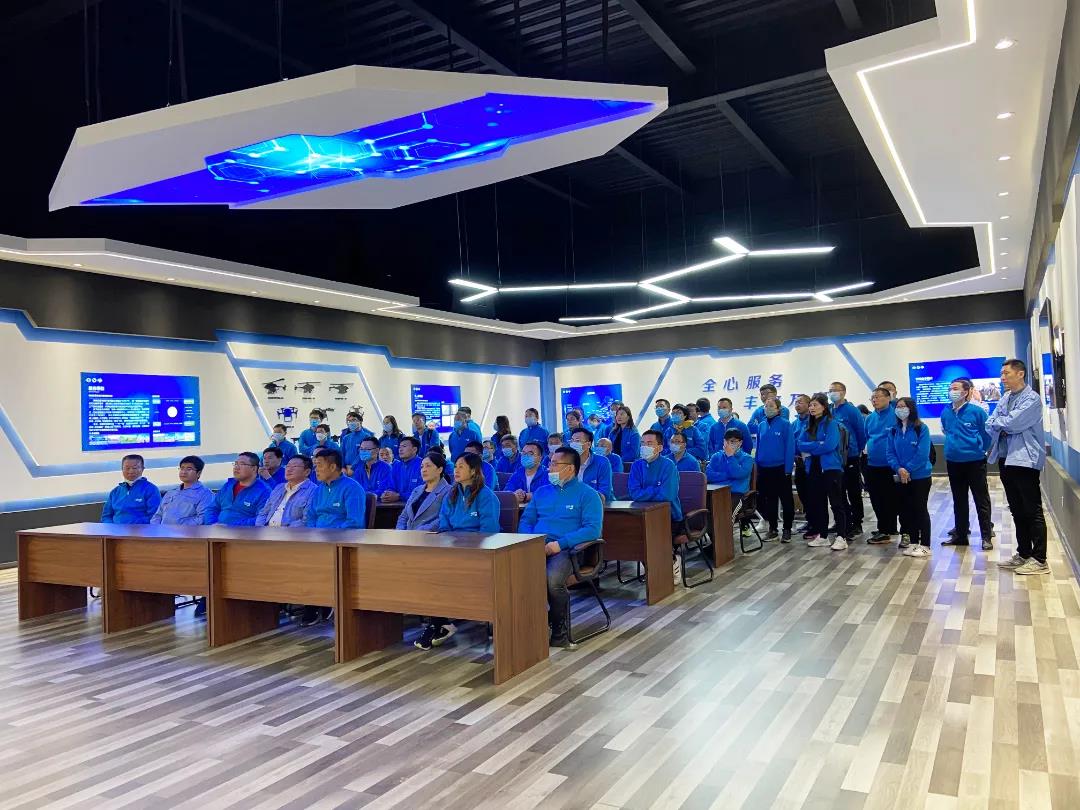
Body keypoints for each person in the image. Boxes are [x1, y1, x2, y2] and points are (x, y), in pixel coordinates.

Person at [519, 446, 604, 648]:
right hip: (536, 546)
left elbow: (592, 529)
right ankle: (526, 625)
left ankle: (559, 629)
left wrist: (558, 545)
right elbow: (526, 520)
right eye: (550, 463)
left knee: (553, 579)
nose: (549, 468)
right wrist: (532, 541)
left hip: (570, 550)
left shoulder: (588, 494)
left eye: (555, 464)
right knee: (513, 575)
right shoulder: (542, 492)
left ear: (570, 469)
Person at [417, 453, 501, 650]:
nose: (456, 470)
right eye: (455, 466)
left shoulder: (486, 496)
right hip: (452, 548)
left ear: (473, 471)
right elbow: (444, 523)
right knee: (428, 570)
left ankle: (438, 624)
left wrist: (463, 545)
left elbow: (488, 531)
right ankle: (439, 622)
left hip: (477, 552)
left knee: (444, 573)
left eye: (461, 466)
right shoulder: (452, 494)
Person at [988, 359, 1049, 575]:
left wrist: (1004, 424)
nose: (1002, 378)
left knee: (1032, 510)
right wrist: (1003, 425)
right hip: (1006, 458)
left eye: (1006, 373)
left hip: (1024, 460)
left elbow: (1012, 423)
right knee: (1016, 509)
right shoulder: (1005, 398)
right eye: (1002, 374)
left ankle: (1039, 559)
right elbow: (990, 423)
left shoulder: (1032, 399)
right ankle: (1023, 553)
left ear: (1020, 374)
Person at [941, 378, 994, 550]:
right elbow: (947, 431)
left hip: (975, 462)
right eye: (950, 388)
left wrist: (980, 449)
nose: (952, 391)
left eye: (955, 388)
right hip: (953, 462)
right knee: (959, 500)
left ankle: (986, 536)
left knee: (981, 499)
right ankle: (961, 535)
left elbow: (987, 434)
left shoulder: (977, 412)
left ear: (965, 392)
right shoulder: (946, 412)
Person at [630, 429, 684, 583]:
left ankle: (672, 562)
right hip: (643, 514)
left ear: (659, 447)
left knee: (655, 539)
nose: (644, 447)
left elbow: (667, 495)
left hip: (669, 516)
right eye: (642, 443)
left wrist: (645, 492)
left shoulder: (669, 466)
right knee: (634, 537)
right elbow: (634, 493)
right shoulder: (636, 465)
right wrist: (655, 489)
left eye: (649, 443)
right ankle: (653, 570)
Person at [797, 393, 848, 549]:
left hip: (831, 467)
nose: (812, 408)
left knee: (836, 503)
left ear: (824, 407)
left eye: (815, 405)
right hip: (813, 467)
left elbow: (830, 445)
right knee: (818, 503)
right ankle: (823, 535)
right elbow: (800, 444)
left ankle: (841, 537)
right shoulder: (808, 424)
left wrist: (812, 448)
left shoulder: (832, 423)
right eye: (811, 405)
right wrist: (817, 444)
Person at [886, 397, 933, 559]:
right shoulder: (894, 430)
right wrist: (899, 469)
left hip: (920, 476)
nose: (900, 409)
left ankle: (925, 545)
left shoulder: (921, 428)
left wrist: (908, 469)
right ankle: (913, 542)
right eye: (898, 407)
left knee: (920, 509)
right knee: (907, 509)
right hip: (901, 476)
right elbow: (890, 452)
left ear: (911, 409)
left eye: (903, 406)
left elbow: (922, 454)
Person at [827, 381, 868, 537]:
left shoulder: (851, 410)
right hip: (834, 457)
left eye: (835, 390)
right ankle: (843, 521)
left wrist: (857, 450)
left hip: (850, 456)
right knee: (838, 491)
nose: (832, 393)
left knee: (853, 491)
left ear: (843, 392)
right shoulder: (829, 410)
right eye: (830, 390)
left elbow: (861, 432)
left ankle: (857, 523)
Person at [754, 397, 795, 542]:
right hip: (765, 469)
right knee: (769, 500)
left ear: (778, 409)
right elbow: (758, 447)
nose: (768, 408)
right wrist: (757, 466)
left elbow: (790, 447)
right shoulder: (761, 425)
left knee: (786, 499)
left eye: (771, 406)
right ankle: (772, 529)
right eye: (766, 406)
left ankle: (787, 529)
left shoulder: (785, 424)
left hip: (781, 468)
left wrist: (788, 469)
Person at [864, 387, 899, 546]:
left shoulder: (895, 416)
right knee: (876, 498)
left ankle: (888, 529)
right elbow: (866, 437)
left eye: (878, 397)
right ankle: (884, 528)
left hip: (891, 465)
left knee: (890, 499)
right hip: (872, 464)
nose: (874, 400)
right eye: (873, 397)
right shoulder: (870, 418)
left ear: (888, 398)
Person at [306, 448, 367, 529]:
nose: (316, 469)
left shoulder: (352, 488)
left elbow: (354, 523)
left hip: (342, 535)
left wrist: (331, 534)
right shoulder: (319, 489)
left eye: (319, 465)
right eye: (315, 465)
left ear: (332, 467)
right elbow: (311, 517)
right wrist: (313, 532)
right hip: (317, 534)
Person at [209, 452, 272, 526]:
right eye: (235, 464)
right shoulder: (228, 485)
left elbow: (261, 519)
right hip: (216, 529)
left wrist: (230, 526)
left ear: (254, 468)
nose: (236, 467)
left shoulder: (264, 491)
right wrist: (213, 524)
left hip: (243, 532)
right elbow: (212, 508)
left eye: (242, 464)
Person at [151, 456, 215, 525]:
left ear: (198, 473)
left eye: (189, 469)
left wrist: (179, 527)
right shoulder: (171, 492)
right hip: (162, 531)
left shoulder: (205, 494)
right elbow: (158, 515)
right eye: (182, 468)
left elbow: (203, 518)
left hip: (187, 531)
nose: (184, 472)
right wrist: (157, 528)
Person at [256, 454, 317, 527]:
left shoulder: (313, 491)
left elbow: (306, 520)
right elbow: (263, 512)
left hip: (292, 532)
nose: (288, 469)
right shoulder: (279, 487)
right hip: (266, 530)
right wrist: (260, 528)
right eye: (287, 466)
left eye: (294, 466)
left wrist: (283, 531)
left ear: (307, 472)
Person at [396, 452, 451, 531]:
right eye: (422, 467)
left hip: (429, 536)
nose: (423, 470)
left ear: (440, 469)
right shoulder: (417, 490)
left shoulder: (448, 491)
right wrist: (400, 531)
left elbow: (443, 519)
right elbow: (404, 516)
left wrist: (419, 532)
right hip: (407, 535)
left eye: (428, 466)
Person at [101, 454, 161, 524]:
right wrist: (112, 528)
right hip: (115, 529)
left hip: (141, 529)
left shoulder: (151, 490)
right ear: (122, 469)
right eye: (127, 468)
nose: (131, 471)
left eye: (135, 468)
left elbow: (155, 517)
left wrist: (135, 527)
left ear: (142, 469)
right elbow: (106, 516)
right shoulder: (115, 492)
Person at [569, 427, 613, 503]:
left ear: (588, 444)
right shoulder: (566, 462)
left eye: (577, 441)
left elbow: (604, 492)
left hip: (596, 505)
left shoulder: (602, 462)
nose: (573, 444)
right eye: (572, 441)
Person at [706, 427, 754, 497]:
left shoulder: (747, 458)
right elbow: (708, 476)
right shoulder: (716, 456)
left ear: (740, 443)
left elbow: (737, 474)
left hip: (736, 493)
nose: (728, 444)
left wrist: (730, 456)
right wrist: (728, 475)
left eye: (732, 441)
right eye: (726, 441)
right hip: (715, 492)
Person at [790, 394, 811, 530]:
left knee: (813, 493)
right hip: (798, 463)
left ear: (809, 405)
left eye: (801, 402)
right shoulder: (794, 424)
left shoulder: (813, 421)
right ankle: (810, 520)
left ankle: (817, 522)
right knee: (802, 491)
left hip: (811, 462)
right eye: (796, 402)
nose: (797, 405)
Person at [382, 435, 423, 503]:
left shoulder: (423, 465)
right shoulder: (396, 466)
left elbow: (422, 492)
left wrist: (399, 496)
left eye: (404, 446)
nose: (400, 449)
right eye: (399, 447)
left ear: (414, 449)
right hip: (396, 505)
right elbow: (391, 486)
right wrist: (387, 495)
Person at [340, 411, 373, 475]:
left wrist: (353, 468)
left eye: (354, 420)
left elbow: (364, 454)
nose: (351, 422)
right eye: (349, 421)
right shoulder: (346, 438)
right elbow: (342, 453)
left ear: (360, 421)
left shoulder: (366, 437)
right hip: (346, 470)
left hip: (360, 469)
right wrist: (343, 467)